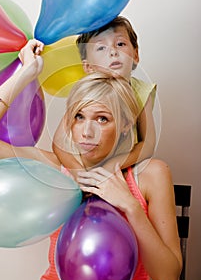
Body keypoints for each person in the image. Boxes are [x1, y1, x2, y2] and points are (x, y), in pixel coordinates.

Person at [0, 40, 182, 280]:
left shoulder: (149, 175)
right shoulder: (55, 169)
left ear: (125, 125)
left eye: (102, 119)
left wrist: (131, 207)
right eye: (79, 116)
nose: (87, 132)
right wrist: (26, 73)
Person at [53, 16, 157, 176]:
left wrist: (114, 165)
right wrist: (79, 172)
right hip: (83, 164)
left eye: (120, 44)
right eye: (101, 48)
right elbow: (58, 141)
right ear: (88, 66)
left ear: (135, 55)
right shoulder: (85, 92)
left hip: (120, 168)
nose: (113, 52)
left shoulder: (141, 92)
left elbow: (147, 144)